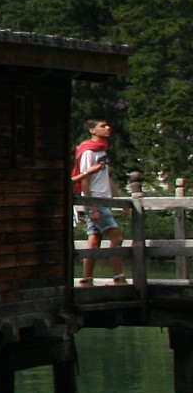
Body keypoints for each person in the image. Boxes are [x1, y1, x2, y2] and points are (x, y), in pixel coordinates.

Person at [74, 118, 121, 285]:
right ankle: (119, 277)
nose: (108, 128)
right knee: (117, 238)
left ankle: (86, 279)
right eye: (102, 126)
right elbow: (84, 180)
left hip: (104, 200)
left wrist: (121, 200)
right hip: (96, 200)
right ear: (92, 131)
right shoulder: (89, 152)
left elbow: (107, 177)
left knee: (94, 241)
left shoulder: (102, 151)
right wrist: (91, 207)